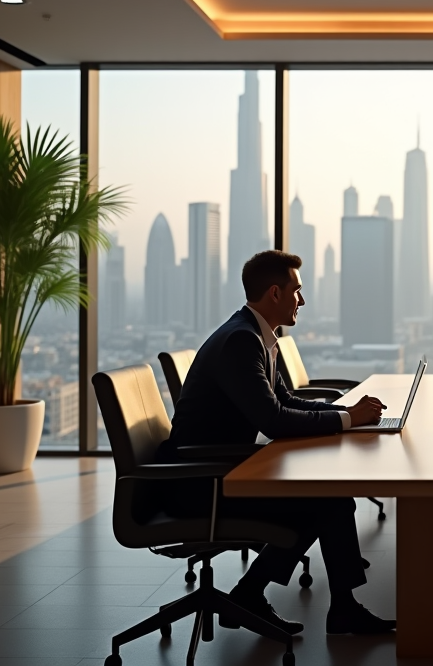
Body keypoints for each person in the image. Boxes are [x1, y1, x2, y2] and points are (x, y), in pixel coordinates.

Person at [157, 250, 395, 637]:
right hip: (202, 484)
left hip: (224, 471)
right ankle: (307, 604)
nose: (302, 300)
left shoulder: (256, 336)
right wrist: (347, 420)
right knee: (329, 501)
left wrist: (344, 412)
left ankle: (261, 595)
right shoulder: (241, 341)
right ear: (274, 293)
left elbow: (282, 400)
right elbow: (274, 421)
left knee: (328, 499)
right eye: (297, 291)